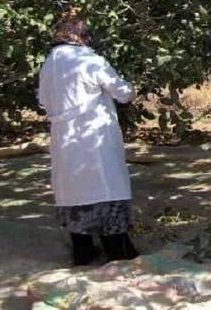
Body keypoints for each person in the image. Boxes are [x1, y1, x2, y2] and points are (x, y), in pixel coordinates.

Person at [37, 14, 140, 265]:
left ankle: (82, 251)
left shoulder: (49, 63)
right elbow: (122, 92)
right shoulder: (90, 60)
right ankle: (117, 250)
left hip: (64, 137)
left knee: (74, 192)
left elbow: (42, 101)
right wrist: (133, 88)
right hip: (94, 135)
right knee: (105, 187)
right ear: (81, 36)